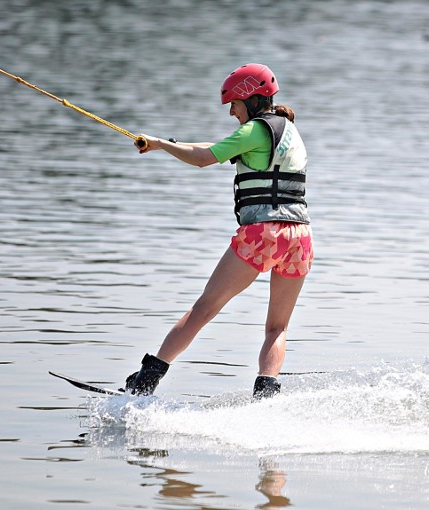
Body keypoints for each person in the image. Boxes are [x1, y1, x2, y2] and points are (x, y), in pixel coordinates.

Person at [125, 63, 312, 400]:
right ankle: (266, 402)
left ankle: (143, 384)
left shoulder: (255, 129)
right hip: (299, 238)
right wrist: (164, 144)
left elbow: (203, 158)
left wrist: (160, 144)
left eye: (234, 104)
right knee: (277, 328)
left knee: (204, 309)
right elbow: (218, 145)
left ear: (252, 100)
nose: (230, 112)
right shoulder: (288, 130)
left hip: (263, 234)